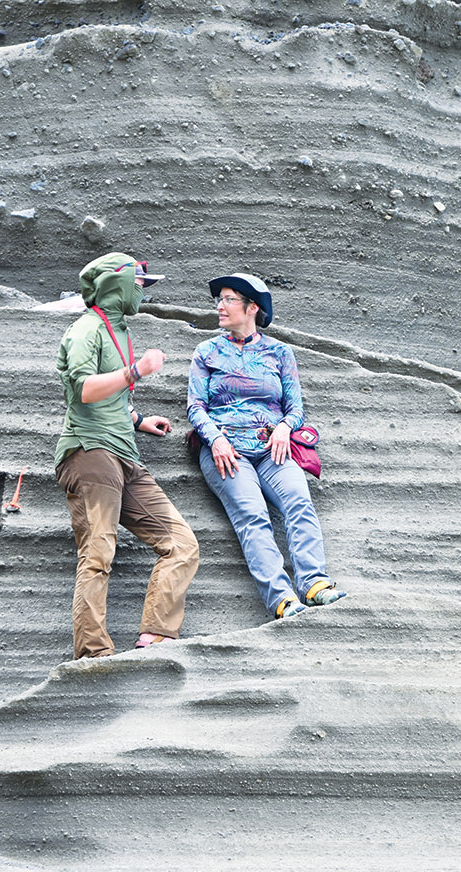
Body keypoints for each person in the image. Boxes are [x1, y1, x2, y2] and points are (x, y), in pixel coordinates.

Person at [54, 252, 200, 658]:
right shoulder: (86, 330)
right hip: (90, 452)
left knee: (181, 543)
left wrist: (137, 419)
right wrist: (136, 371)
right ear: (116, 282)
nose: (142, 291)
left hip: (125, 455)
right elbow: (82, 390)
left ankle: (155, 635)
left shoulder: (116, 331)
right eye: (139, 282)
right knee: (98, 555)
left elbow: (110, 395)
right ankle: (93, 653)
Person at [187, 272, 344, 620]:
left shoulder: (279, 352)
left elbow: (296, 408)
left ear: (252, 307)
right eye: (220, 299)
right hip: (227, 452)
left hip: (274, 448)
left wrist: (285, 428)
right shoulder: (207, 351)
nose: (220, 306)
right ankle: (282, 600)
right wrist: (216, 441)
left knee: (300, 503)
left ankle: (315, 585)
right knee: (253, 516)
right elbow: (195, 407)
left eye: (229, 299)